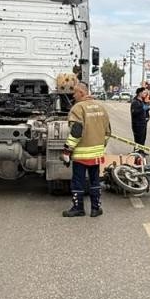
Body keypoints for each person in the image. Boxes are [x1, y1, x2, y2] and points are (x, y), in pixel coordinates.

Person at [61, 82, 111, 218]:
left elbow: (76, 132)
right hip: (97, 154)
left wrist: (67, 151)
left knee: (78, 182)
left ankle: (78, 208)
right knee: (95, 181)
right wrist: (100, 145)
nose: (73, 95)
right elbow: (107, 132)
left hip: (81, 154)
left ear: (82, 93)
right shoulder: (101, 107)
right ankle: (96, 209)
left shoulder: (78, 108)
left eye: (75, 92)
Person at [129, 87, 150, 151]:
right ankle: (137, 152)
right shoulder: (135, 102)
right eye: (144, 93)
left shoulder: (142, 101)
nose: (145, 94)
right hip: (137, 124)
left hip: (143, 123)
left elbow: (144, 110)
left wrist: (148, 109)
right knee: (138, 139)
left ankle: (141, 151)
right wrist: (143, 109)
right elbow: (134, 112)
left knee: (143, 139)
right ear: (140, 93)